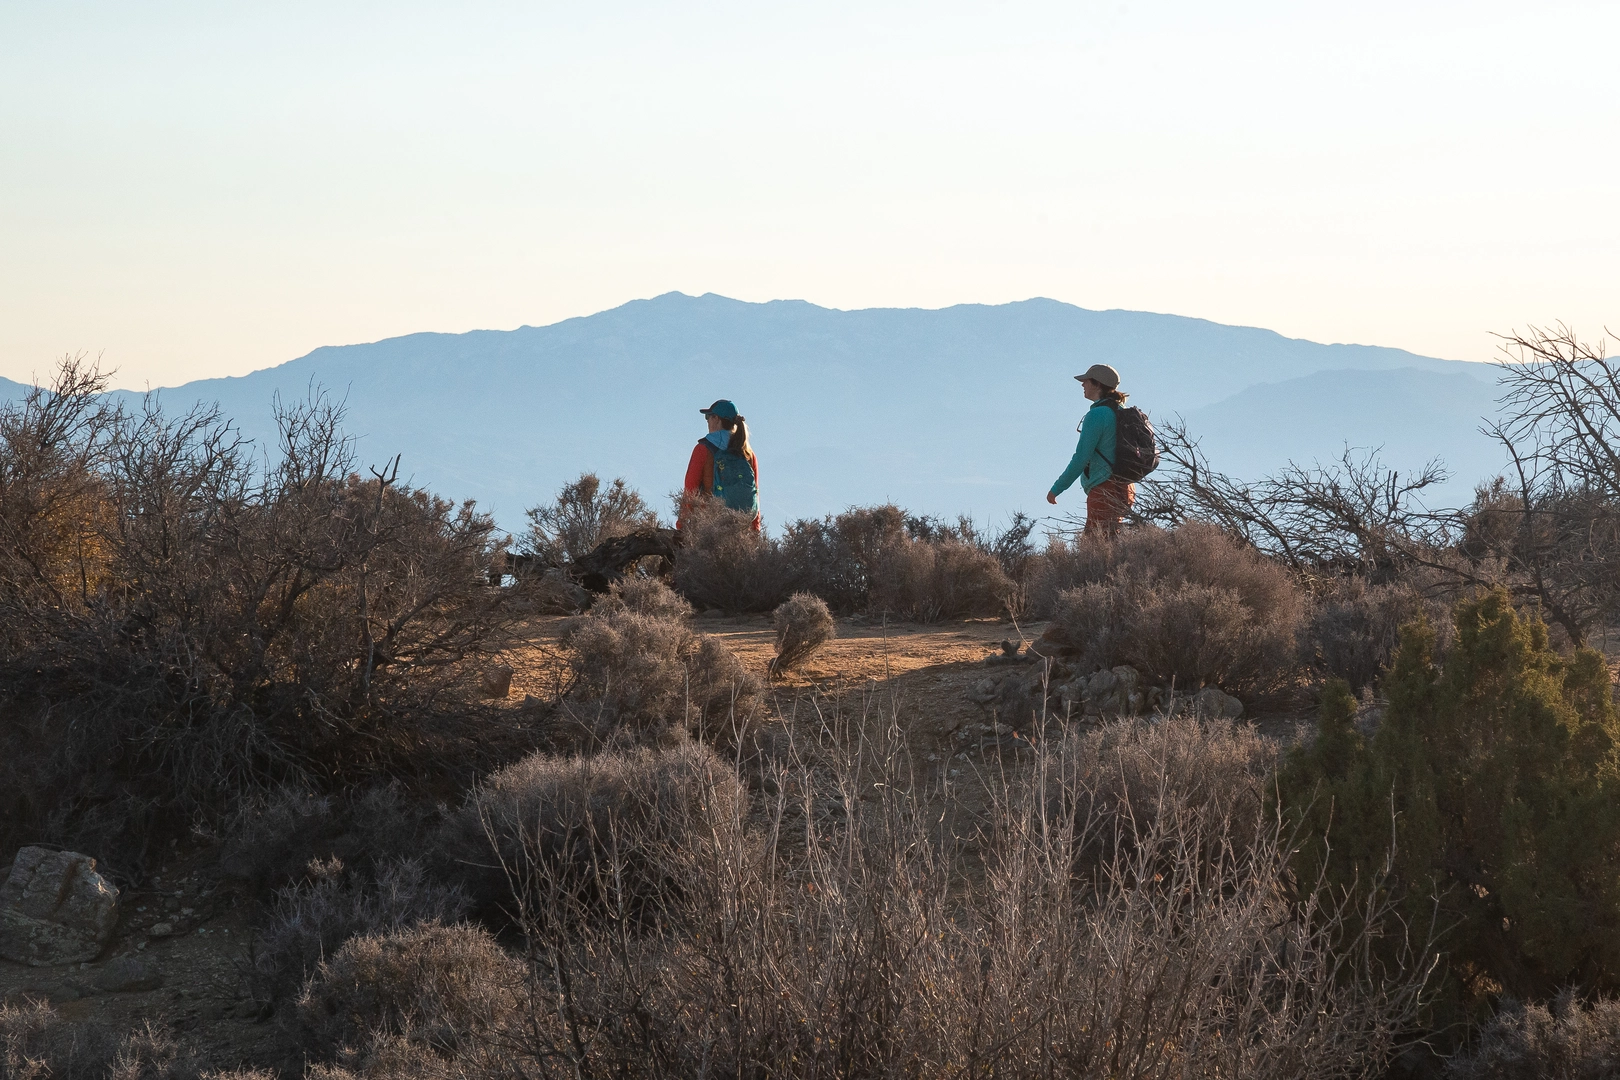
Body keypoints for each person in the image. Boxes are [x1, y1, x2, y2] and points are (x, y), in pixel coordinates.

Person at [1046, 363, 1136, 538]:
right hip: (1126, 487)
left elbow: (1081, 458)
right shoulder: (1122, 411)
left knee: (1095, 546)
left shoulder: (1097, 415)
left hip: (1104, 489)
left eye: (1086, 381)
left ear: (1098, 384)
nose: (1082, 384)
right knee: (1112, 542)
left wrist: (1057, 488)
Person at [679, 399, 760, 531]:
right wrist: (755, 531)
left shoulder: (703, 450)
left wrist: (681, 526)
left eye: (708, 417)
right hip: (740, 529)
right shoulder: (748, 454)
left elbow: (690, 491)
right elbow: (754, 494)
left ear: (716, 419)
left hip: (708, 527)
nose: (707, 421)